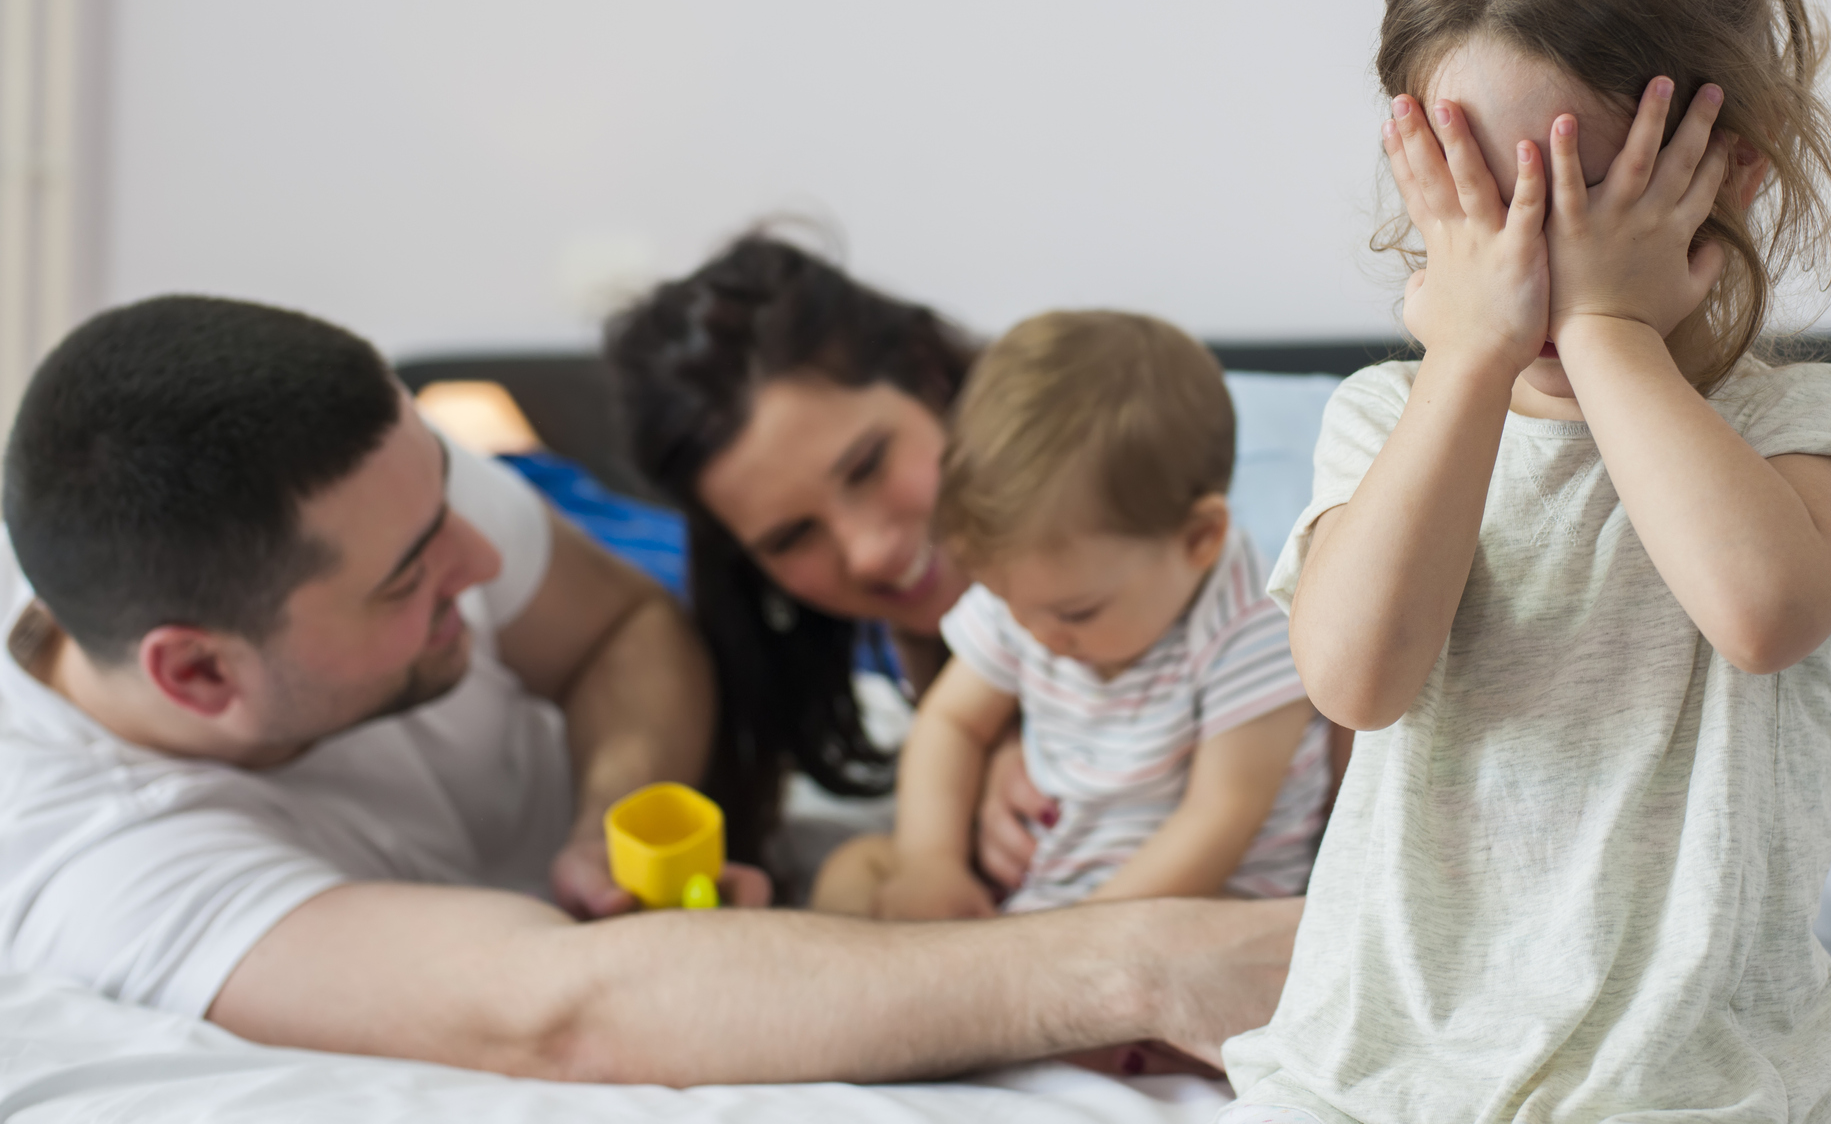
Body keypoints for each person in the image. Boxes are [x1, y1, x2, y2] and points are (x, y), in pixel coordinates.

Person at [0, 294, 1300, 1085]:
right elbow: (556, 1019)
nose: (485, 563)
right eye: (412, 576)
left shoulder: (367, 485)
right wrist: (1135, 964)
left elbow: (622, 617)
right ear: (194, 671)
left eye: (450, 497)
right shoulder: (98, 866)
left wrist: (611, 807)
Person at [1218, 0, 1831, 1122]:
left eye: (1575, 202)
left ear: (1725, 177)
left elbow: (1760, 612)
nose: (1518, 265)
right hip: (1371, 1077)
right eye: (1475, 202)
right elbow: (1357, 679)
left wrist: (1603, 327)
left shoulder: (1800, 426)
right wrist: (1466, 365)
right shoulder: (1388, 420)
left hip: (1683, 1088)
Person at [814, 311, 1328, 919]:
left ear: (1199, 538)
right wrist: (933, 862)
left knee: (1208, 941)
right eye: (1008, 605)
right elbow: (951, 722)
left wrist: (1065, 942)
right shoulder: (1039, 596)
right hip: (1044, 893)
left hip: (1183, 903)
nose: (1035, 633)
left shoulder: (1256, 630)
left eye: (1073, 612)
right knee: (854, 869)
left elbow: (1217, 820)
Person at [607, 235, 1059, 883]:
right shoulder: (926, 663)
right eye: (791, 538)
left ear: (928, 374)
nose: (868, 554)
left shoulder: (1210, 519)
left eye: (868, 465)